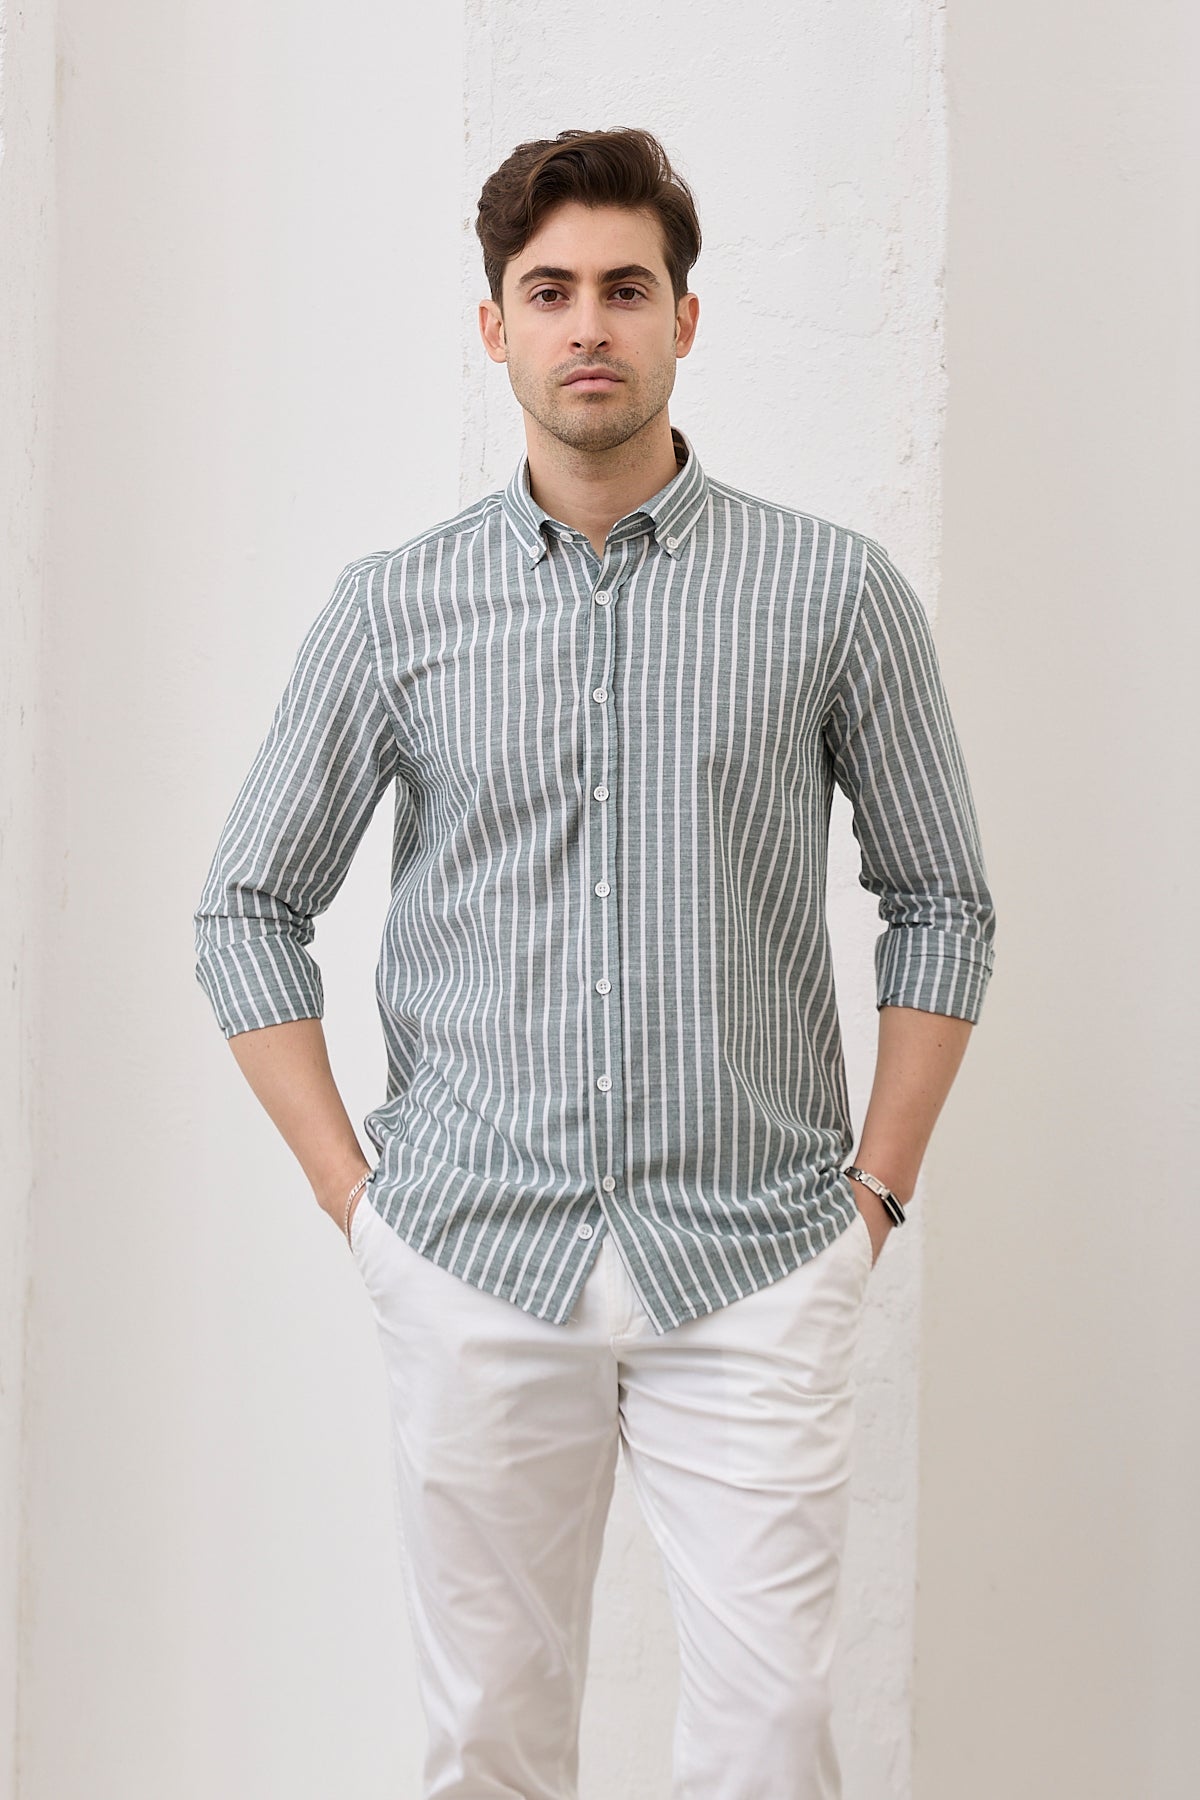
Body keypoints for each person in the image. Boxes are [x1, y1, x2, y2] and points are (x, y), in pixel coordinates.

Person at [194, 126, 996, 1800]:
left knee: (772, 1739)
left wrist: (874, 1200)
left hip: (757, 1254)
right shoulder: (394, 608)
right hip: (471, 1253)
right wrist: (361, 1205)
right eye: (549, 292)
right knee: (490, 1738)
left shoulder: (832, 592)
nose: (589, 326)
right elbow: (245, 907)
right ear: (494, 326)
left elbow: (941, 899)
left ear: (684, 319)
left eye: (626, 289)